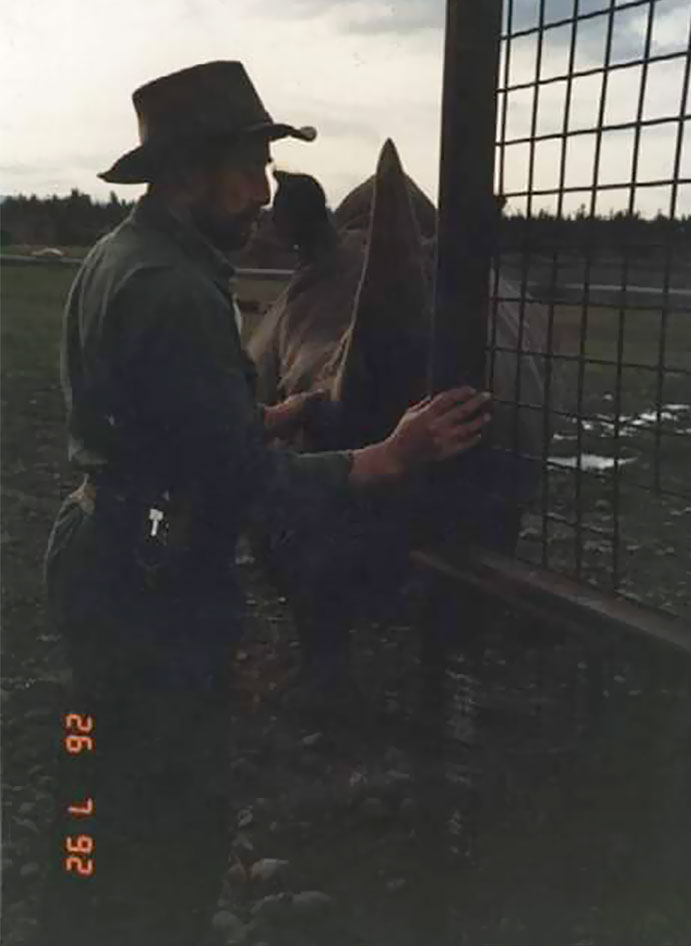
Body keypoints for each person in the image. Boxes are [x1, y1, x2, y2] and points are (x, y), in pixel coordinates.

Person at [40, 60, 490, 946]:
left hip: (105, 544)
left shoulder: (121, 256)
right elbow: (240, 482)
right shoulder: (172, 288)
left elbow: (155, 417)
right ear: (184, 174)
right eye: (248, 165)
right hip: (155, 582)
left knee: (90, 764)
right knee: (174, 817)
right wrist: (380, 457)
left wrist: (259, 414)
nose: (264, 189)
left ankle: (72, 901)